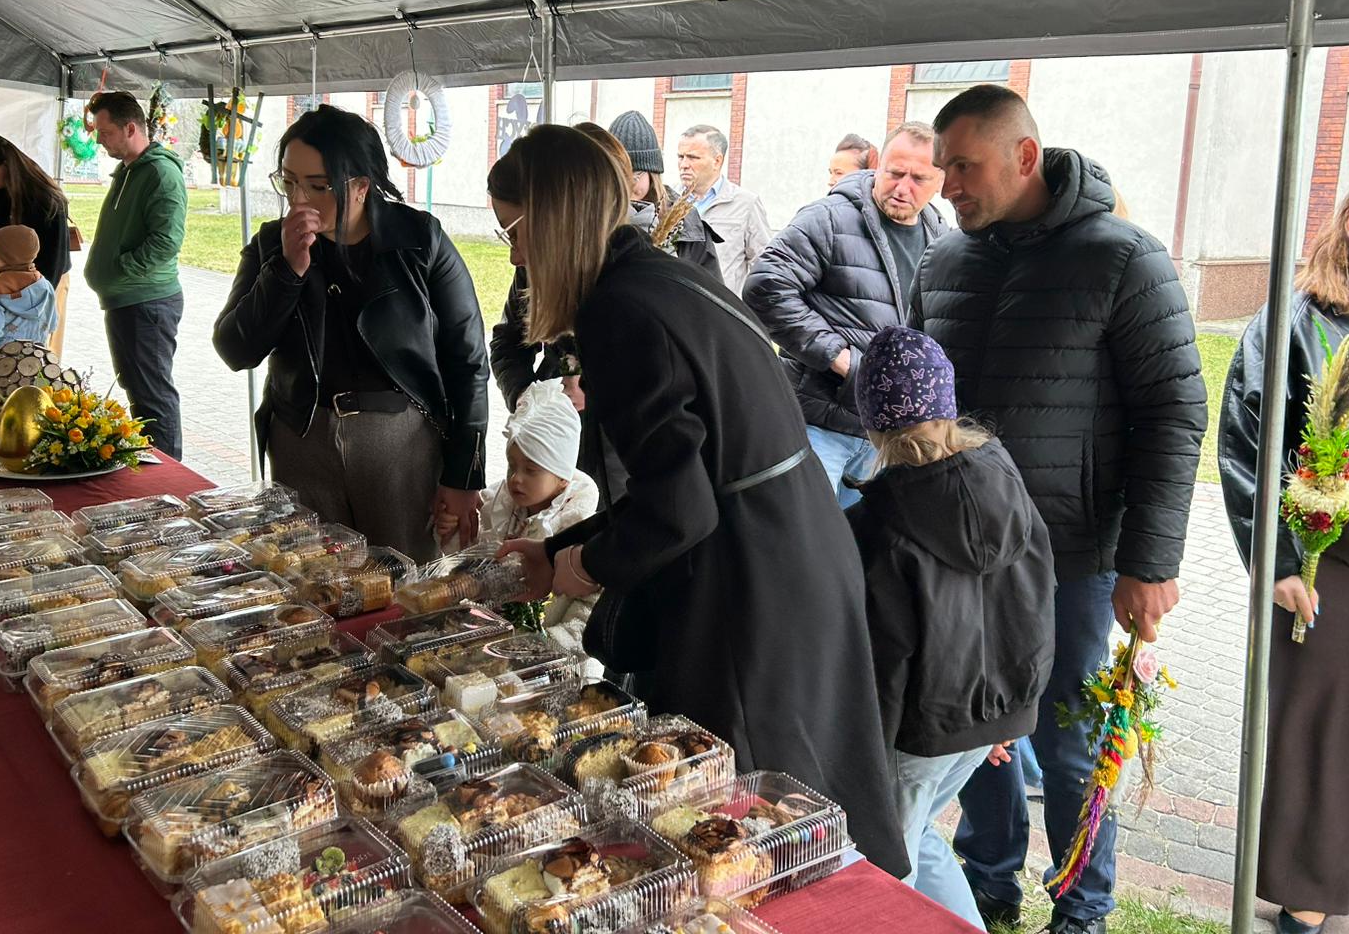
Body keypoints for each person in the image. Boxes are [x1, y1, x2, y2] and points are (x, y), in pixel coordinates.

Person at [491, 122, 910, 875]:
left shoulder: (619, 309)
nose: (515, 257)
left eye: (514, 233)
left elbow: (681, 509)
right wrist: (554, 551)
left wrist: (577, 567)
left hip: (753, 583)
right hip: (791, 546)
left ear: (551, 222)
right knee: (792, 814)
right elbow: (679, 480)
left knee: (747, 827)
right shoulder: (652, 278)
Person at [912, 84, 1206, 934]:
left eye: (963, 167)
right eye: (942, 167)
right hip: (960, 550)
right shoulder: (944, 260)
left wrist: (1150, 563)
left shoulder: (1123, 257)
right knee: (973, 729)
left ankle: (1082, 907)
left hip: (1073, 555)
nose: (946, 186)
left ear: (1024, 157)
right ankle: (988, 880)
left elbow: (1174, 412)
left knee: (1069, 742)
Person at [1218, 156, 1349, 933]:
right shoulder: (1297, 318)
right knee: (1320, 710)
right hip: (1328, 542)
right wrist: (1272, 560)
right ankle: (1305, 887)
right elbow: (1247, 441)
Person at [848, 325, 1054, 929]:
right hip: (989, 718)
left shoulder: (877, 528)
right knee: (915, 839)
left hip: (921, 732)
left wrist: (865, 747)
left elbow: (884, 656)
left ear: (872, 423)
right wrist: (1000, 711)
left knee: (884, 866)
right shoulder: (1008, 485)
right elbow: (1038, 601)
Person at [213, 105, 488, 558]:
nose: (299, 200)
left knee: (404, 580)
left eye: (318, 186)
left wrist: (464, 474)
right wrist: (287, 271)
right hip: (303, 435)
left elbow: (468, 360)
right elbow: (235, 348)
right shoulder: (272, 243)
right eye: (289, 182)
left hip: (399, 442)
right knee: (309, 576)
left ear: (361, 186)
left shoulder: (419, 240)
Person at [489, 123, 722, 506]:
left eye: (513, 234)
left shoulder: (631, 294)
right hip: (569, 445)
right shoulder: (617, 276)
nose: (515, 256)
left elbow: (674, 504)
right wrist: (533, 401)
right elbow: (509, 343)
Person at [745, 121, 944, 508]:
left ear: (941, 179)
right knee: (806, 536)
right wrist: (843, 361)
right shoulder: (829, 218)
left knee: (860, 541)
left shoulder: (939, 233)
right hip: (817, 424)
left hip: (886, 435)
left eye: (919, 178)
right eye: (895, 172)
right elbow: (765, 287)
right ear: (878, 163)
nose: (903, 187)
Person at [439, 380, 601, 654]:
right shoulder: (497, 506)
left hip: (553, 658)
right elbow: (470, 564)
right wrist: (453, 531)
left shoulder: (582, 536)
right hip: (489, 646)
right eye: (511, 465)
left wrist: (541, 647)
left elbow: (586, 619)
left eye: (531, 470)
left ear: (562, 477)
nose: (516, 478)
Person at [84, 91, 188, 461]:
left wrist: (120, 269)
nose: (99, 140)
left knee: (153, 395)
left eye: (105, 132)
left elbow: (166, 242)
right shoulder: (130, 169)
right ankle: (148, 469)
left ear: (130, 128)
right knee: (139, 391)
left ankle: (170, 477)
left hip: (147, 301)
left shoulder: (160, 173)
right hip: (126, 300)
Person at [0, 133, 72, 355]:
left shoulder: (43, 198)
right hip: (15, 282)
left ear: (4, 164)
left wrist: (37, 296)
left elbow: (55, 256)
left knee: (40, 353)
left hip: (45, 283)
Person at [606, 111, 721, 274]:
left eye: (632, 176)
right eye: (615, 177)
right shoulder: (591, 218)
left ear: (651, 174)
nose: (623, 187)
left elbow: (709, 286)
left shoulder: (687, 223)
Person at [676, 123, 771, 293]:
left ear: (717, 161)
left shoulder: (745, 204)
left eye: (692, 157)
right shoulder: (668, 201)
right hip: (676, 304)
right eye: (680, 156)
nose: (684, 164)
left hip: (721, 306)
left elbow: (764, 266)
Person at [0, 226, 57, 350]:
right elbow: (52, 325)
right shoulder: (46, 286)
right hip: (36, 356)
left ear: (8, 256)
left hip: (2, 358)